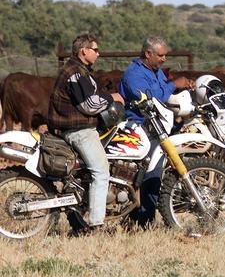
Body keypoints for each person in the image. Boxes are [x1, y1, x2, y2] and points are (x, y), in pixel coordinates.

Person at [48, 32, 124, 231]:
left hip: (78, 127)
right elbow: (89, 106)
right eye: (95, 50)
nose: (99, 54)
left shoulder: (79, 70)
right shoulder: (75, 73)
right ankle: (96, 223)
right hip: (79, 130)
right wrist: (112, 97)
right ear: (84, 51)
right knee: (101, 171)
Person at [118, 36, 193, 227]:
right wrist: (174, 84)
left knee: (156, 172)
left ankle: (145, 216)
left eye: (165, 55)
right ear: (148, 53)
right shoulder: (133, 75)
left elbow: (164, 94)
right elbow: (151, 98)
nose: (164, 59)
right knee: (152, 172)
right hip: (141, 128)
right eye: (160, 55)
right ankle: (145, 219)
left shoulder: (156, 72)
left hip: (158, 126)